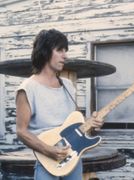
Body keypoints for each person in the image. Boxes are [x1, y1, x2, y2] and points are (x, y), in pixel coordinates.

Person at [15, 29, 104, 179]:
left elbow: (75, 124)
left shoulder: (68, 86)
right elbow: (21, 131)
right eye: (60, 50)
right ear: (45, 52)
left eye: (66, 50)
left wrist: (91, 124)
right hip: (47, 161)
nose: (65, 56)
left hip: (73, 157)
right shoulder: (27, 88)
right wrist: (48, 150)